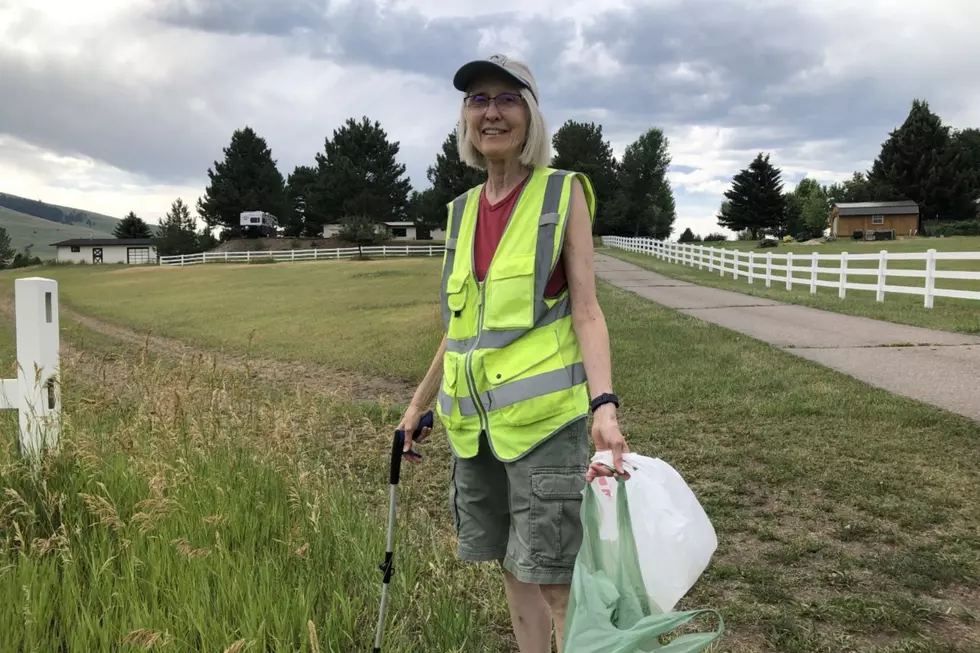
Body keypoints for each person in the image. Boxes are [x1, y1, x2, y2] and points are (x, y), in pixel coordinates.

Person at [395, 53, 627, 653]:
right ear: (465, 119)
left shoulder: (561, 193)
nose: (491, 112)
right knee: (512, 565)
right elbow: (460, 328)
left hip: (545, 425)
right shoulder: (461, 211)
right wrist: (417, 407)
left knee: (554, 575)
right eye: (478, 100)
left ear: (531, 114)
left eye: (507, 98)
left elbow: (587, 310)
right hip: (474, 428)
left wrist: (604, 406)